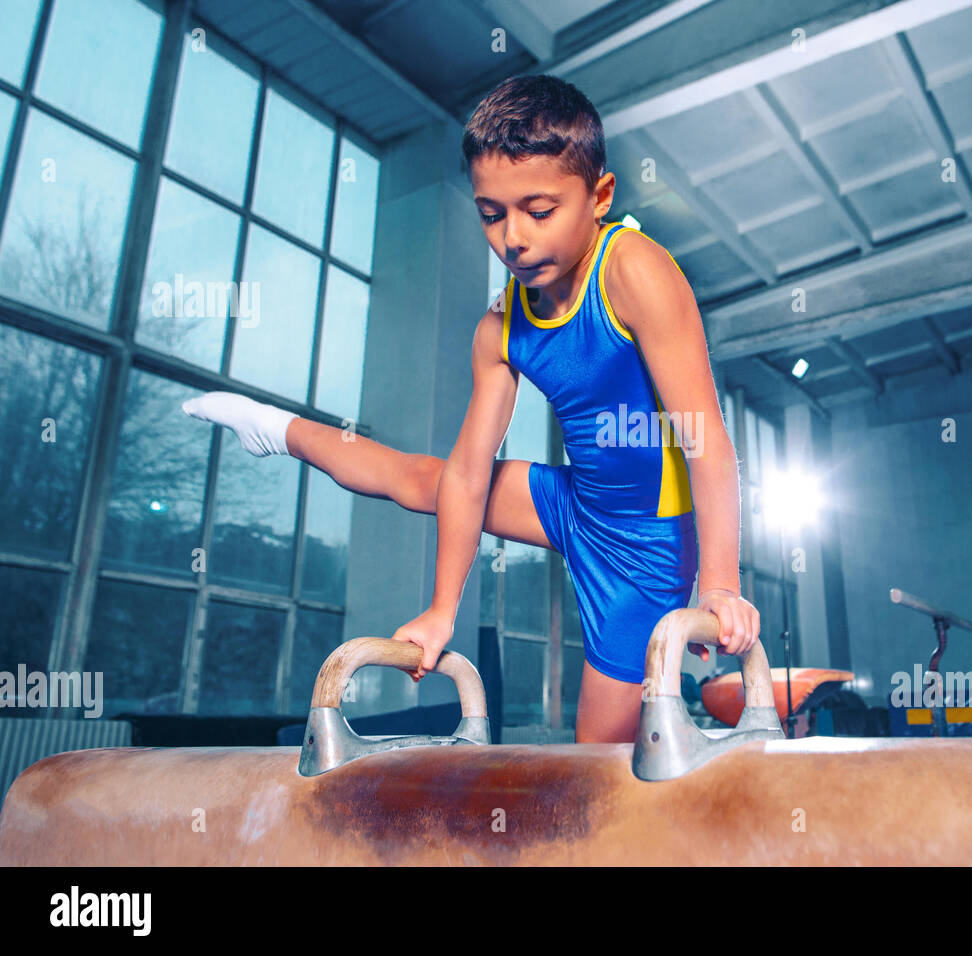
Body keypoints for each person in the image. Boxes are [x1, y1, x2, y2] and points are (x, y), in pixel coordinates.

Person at [182, 74, 759, 744]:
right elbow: (467, 474)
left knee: (598, 762)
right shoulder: (500, 327)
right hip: (579, 505)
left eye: (539, 211)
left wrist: (718, 584)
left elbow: (706, 441)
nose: (512, 238)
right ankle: (277, 430)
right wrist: (440, 611)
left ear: (599, 196)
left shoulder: (636, 273)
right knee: (424, 479)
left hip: (650, 543)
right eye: (492, 213)